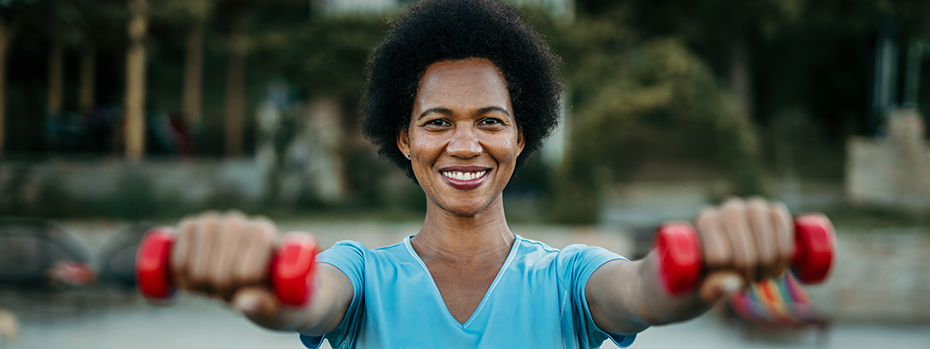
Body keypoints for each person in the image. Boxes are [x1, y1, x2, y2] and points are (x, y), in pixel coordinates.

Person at [168, 0, 809, 348]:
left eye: (491, 121)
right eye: (439, 121)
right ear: (405, 138)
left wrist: (700, 269)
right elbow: (306, 298)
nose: (466, 144)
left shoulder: (569, 278)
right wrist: (259, 277)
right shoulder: (360, 275)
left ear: (521, 136)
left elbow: (643, 292)